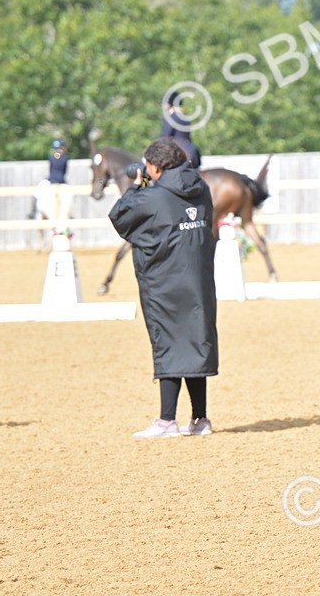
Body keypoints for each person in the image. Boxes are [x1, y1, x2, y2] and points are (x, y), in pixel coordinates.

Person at [109, 137, 218, 438]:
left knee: (169, 340)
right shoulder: (202, 188)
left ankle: (167, 420)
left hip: (165, 280)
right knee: (195, 341)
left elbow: (119, 217)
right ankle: (200, 419)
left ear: (155, 168)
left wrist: (135, 185)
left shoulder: (152, 197)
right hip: (198, 279)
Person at [161, 91, 202, 168]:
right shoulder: (185, 117)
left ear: (169, 104)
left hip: (178, 148)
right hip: (192, 149)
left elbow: (165, 136)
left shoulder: (170, 117)